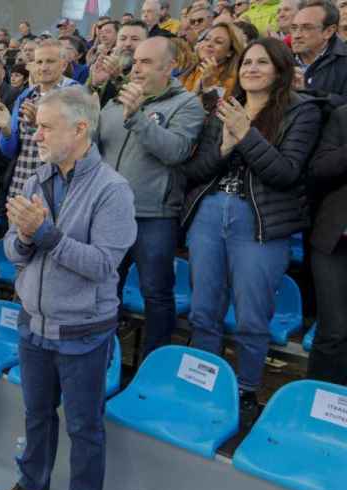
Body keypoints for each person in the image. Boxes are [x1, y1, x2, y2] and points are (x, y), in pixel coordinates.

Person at [0, 86, 136, 490]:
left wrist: (46, 234)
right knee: (35, 415)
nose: (37, 134)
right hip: (33, 326)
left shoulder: (113, 190)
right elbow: (13, 250)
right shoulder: (36, 179)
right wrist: (28, 240)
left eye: (47, 126)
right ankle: (33, 483)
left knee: (84, 427)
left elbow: (101, 266)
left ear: (80, 129)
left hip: (83, 334)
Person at [181, 38, 322, 425]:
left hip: (260, 224)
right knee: (203, 310)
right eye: (246, 62)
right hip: (209, 216)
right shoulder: (224, 107)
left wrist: (247, 135)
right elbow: (195, 173)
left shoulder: (302, 112)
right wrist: (225, 147)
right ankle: (204, 382)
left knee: (251, 317)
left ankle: (245, 390)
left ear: (279, 69)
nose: (251, 68)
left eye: (262, 62)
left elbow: (286, 173)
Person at [99, 37, 206, 357]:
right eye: (136, 60)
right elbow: (95, 145)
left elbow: (175, 151)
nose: (136, 68)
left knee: (156, 293)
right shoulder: (117, 100)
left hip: (153, 216)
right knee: (106, 288)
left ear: (169, 66)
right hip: (110, 212)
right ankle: (105, 357)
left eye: (146, 61)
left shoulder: (186, 104)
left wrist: (137, 117)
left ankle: (152, 363)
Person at [0, 39, 78, 200]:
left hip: (55, 192)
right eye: (39, 62)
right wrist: (5, 129)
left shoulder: (74, 95)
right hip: (20, 186)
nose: (43, 67)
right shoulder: (26, 96)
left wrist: (39, 126)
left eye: (50, 61)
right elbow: (10, 151)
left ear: (63, 65)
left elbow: (76, 147)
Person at [306, 102, 347, 385]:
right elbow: (320, 169)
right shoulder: (343, 115)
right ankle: (318, 406)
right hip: (336, 241)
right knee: (333, 331)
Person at [292, 0, 347, 104]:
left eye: (306, 28)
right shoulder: (279, 59)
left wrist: (306, 92)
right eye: (294, 28)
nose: (296, 35)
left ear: (328, 31)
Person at [182, 23, 248, 111]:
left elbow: (214, 115)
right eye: (207, 39)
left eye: (218, 42)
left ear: (230, 52)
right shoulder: (189, 67)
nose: (209, 44)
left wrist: (208, 86)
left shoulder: (233, 80)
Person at [89, 20, 150, 107]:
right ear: (116, 43)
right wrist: (95, 84)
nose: (127, 44)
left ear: (146, 43)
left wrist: (117, 79)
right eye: (123, 38)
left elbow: (139, 105)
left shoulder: (151, 72)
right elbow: (84, 104)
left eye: (135, 39)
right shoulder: (102, 66)